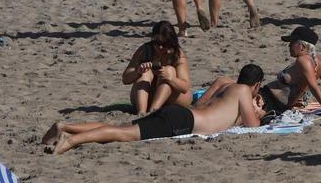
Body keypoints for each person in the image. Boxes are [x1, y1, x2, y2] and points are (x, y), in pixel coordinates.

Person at [43, 66, 263, 154]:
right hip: (183, 123)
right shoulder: (244, 91)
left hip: (180, 113)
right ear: (256, 85)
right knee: (123, 133)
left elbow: (199, 105)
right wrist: (259, 113)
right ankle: (71, 140)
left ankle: (66, 127)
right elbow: (252, 126)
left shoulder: (223, 82)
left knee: (121, 127)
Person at [258, 26, 321, 114]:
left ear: (302, 46)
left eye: (292, 42)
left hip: (268, 99)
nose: (289, 45)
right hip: (279, 105)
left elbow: (313, 86)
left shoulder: (303, 60)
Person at [121, 21, 192, 115]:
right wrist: (137, 71)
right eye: (156, 42)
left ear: (171, 42)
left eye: (164, 43)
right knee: (145, 72)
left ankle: (153, 111)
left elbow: (185, 87)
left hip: (174, 99)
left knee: (169, 70)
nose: (160, 47)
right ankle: (141, 113)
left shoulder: (177, 55)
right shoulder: (145, 50)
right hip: (149, 95)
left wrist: (170, 78)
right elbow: (125, 79)